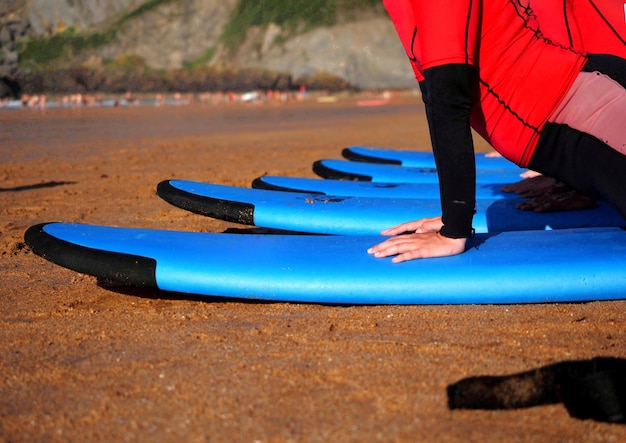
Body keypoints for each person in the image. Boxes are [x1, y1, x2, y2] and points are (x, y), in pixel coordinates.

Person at [368, 0, 626, 263]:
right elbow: (435, 96)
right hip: (572, 131)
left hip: (595, 112)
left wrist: (454, 231)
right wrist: (452, 218)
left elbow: (450, 96)